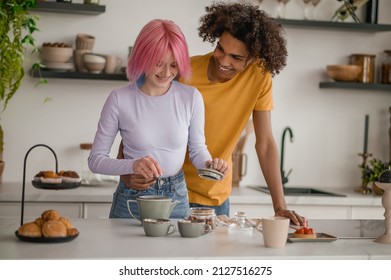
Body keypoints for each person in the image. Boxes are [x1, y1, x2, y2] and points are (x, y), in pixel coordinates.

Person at [119, 2, 306, 226]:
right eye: (220, 49)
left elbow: (265, 143)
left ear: (255, 57)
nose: (224, 61)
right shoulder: (183, 72)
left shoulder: (260, 78)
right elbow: (136, 124)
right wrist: (125, 171)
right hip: (167, 191)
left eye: (236, 58)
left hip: (214, 197)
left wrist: (280, 207)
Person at [88, 19, 229, 219]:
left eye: (174, 65)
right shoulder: (119, 99)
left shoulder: (191, 97)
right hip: (132, 199)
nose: (166, 73)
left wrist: (211, 166)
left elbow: (197, 150)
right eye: (158, 64)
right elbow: (95, 160)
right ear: (142, 57)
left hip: (176, 198)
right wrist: (132, 165)